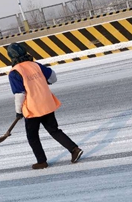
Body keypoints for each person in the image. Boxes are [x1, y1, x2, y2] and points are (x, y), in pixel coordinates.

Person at [7, 42, 83, 170]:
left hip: (32, 109)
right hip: (47, 103)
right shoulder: (36, 65)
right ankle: (74, 149)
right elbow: (53, 78)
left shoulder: (15, 72)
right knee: (54, 130)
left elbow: (19, 94)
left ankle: (41, 161)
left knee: (32, 136)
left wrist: (18, 111)